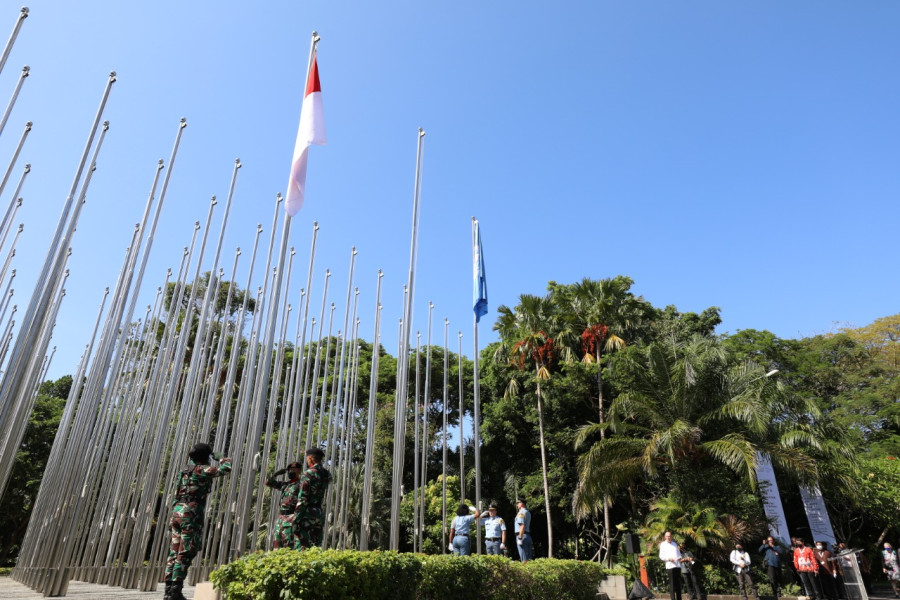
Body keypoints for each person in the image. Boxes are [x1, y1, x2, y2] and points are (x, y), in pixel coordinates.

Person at [165, 443, 231, 600]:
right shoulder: (202, 470)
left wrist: (173, 516)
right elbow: (226, 469)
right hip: (190, 514)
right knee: (186, 551)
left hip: (176, 512)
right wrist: (222, 457)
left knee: (174, 551)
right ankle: (175, 591)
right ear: (205, 457)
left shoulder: (183, 471)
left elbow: (175, 493)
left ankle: (168, 590)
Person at [292, 447, 332, 551]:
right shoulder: (327, 474)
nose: (306, 460)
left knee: (302, 547)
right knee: (315, 547)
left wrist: (296, 519)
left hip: (306, 514)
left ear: (311, 459)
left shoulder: (309, 473)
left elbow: (303, 497)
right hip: (318, 513)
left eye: (307, 458)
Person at [265, 461, 303, 549]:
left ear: (299, 471)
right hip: (281, 517)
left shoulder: (301, 485)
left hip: (291, 516)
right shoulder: (285, 484)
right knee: (276, 544)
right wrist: (276, 474)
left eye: (294, 470)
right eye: (289, 470)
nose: (291, 472)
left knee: (288, 544)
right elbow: (268, 482)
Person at [659, 531, 683, 600]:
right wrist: (669, 559)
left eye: (669, 536)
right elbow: (661, 556)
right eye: (667, 536)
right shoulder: (663, 544)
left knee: (678, 584)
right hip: (670, 566)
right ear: (665, 537)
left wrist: (679, 557)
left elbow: (679, 554)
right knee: (672, 584)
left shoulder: (674, 544)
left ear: (671, 537)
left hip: (677, 566)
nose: (668, 537)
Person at [514, 498, 533, 562]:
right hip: (527, 535)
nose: (517, 505)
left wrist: (519, 538)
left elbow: (522, 525)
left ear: (521, 504)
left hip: (522, 536)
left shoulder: (521, 513)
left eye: (518, 503)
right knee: (528, 558)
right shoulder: (527, 512)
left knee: (524, 558)